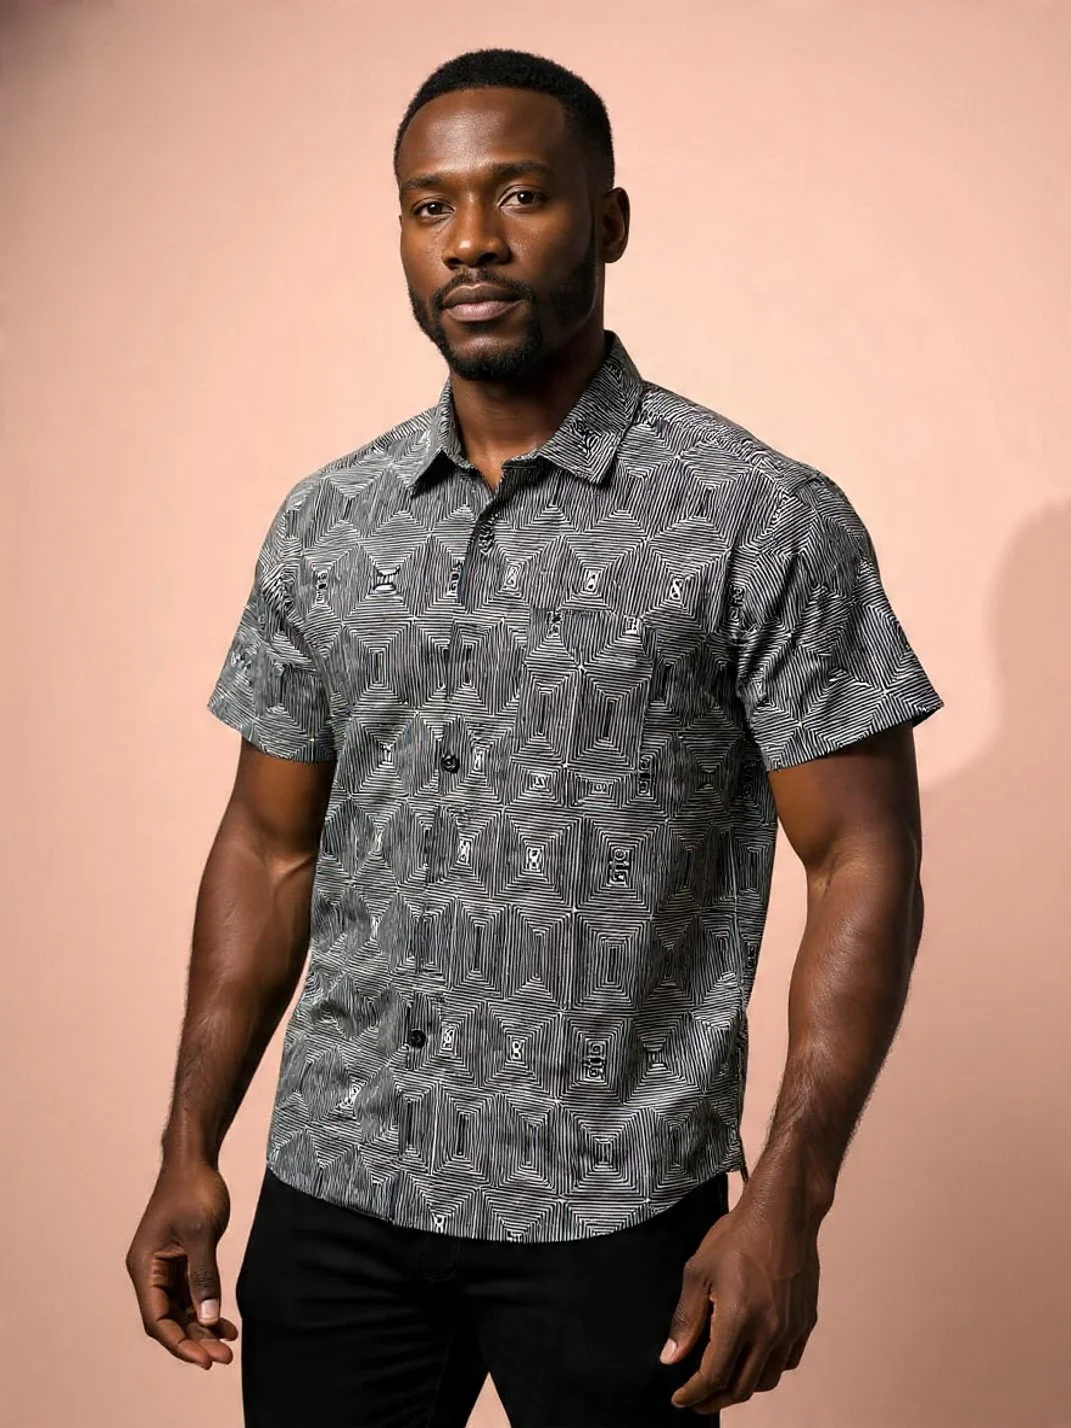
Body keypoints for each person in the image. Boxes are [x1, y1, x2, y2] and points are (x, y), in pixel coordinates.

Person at [125, 46, 944, 1428]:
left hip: (617, 1214)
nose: (472, 242)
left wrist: (790, 1198)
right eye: (429, 205)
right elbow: (267, 849)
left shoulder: (758, 516)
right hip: (337, 1201)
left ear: (608, 221)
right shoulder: (329, 526)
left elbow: (863, 863)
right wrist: (190, 1147)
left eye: (520, 196)